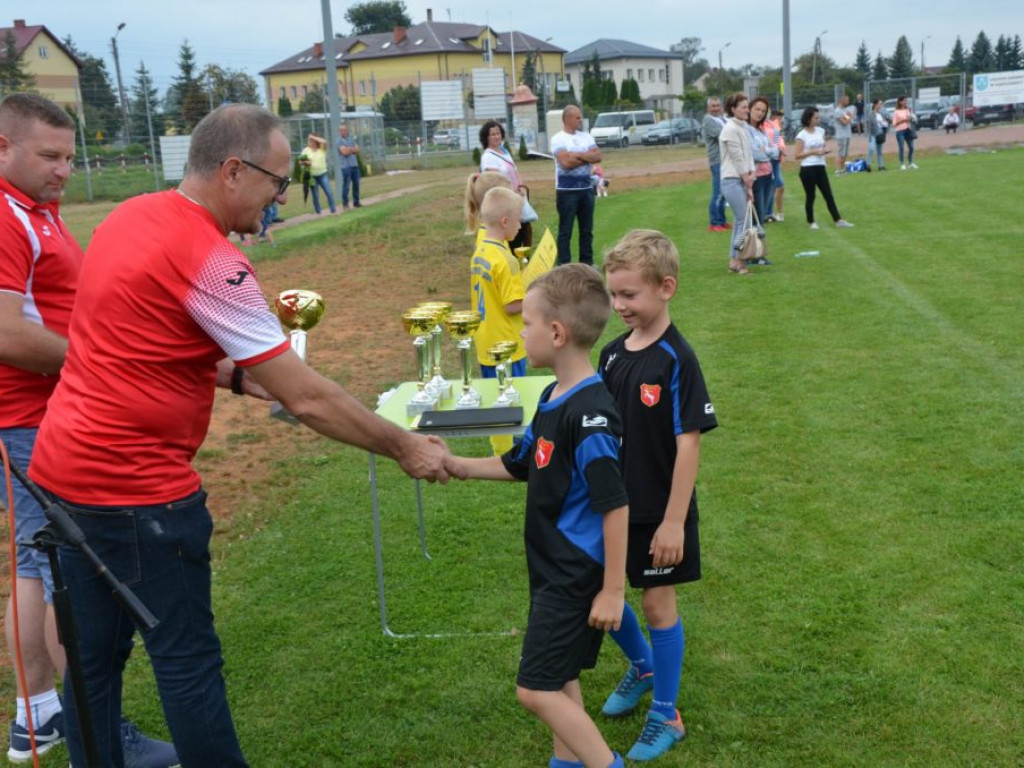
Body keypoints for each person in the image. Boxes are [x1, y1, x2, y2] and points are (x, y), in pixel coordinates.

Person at [27, 103, 458, 768]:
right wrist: (405, 445)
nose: (280, 197)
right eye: (277, 183)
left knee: (92, 662)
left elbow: (134, 339)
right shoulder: (211, 257)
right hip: (139, 494)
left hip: (64, 476)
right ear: (233, 171)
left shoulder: (130, 216)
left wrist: (233, 379)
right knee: (186, 660)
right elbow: (307, 397)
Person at [0, 93, 179, 767]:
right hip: (23, 420)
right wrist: (105, 361)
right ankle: (78, 722)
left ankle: (44, 716)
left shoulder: (33, 211)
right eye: (48, 155)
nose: (63, 170)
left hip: (44, 414)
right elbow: (7, 334)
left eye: (69, 157)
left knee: (38, 566)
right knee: (50, 569)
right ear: (3, 147)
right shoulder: (5, 215)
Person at [450, 263, 629, 768]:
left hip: (573, 576)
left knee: (534, 690)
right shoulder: (552, 398)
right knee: (560, 676)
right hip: (550, 569)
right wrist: (454, 465)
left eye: (525, 323)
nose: (520, 331)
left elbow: (614, 505)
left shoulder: (591, 415)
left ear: (556, 332)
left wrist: (612, 590)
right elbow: (521, 463)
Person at [599, 229, 718, 763]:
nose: (619, 305)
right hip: (613, 507)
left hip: (659, 510)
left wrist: (673, 522)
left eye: (630, 295)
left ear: (666, 287)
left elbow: (687, 443)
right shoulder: (609, 356)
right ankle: (645, 666)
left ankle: (666, 712)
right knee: (599, 593)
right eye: (614, 294)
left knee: (655, 602)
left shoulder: (676, 359)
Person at [550, 105, 601, 266]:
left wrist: (577, 154)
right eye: (577, 117)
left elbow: (598, 156)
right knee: (566, 231)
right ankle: (564, 264)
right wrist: (587, 157)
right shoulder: (558, 139)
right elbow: (565, 163)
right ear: (567, 119)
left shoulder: (586, 137)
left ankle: (587, 263)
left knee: (587, 231)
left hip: (586, 190)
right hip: (567, 191)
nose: (580, 120)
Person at [795, 107, 854, 230]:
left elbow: (822, 146)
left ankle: (838, 220)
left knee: (828, 194)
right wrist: (813, 151)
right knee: (811, 196)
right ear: (808, 118)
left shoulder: (820, 131)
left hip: (820, 167)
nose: (818, 119)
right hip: (807, 169)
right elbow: (797, 155)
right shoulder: (801, 135)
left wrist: (823, 151)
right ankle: (811, 222)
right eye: (816, 117)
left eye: (818, 117)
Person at [478, 119, 534, 250]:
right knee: (511, 236)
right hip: (504, 202)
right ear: (486, 137)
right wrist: (511, 193)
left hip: (517, 198)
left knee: (523, 233)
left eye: (498, 133)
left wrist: (521, 187)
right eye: (492, 134)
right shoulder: (488, 156)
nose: (496, 136)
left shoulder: (504, 152)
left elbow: (515, 170)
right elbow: (495, 180)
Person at [718, 92, 755, 275]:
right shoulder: (730, 129)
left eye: (747, 107)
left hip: (742, 178)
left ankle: (735, 260)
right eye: (743, 107)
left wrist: (751, 175)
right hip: (732, 179)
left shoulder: (743, 127)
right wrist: (747, 180)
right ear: (733, 109)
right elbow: (737, 157)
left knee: (742, 222)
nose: (747, 110)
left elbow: (748, 155)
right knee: (744, 222)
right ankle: (738, 260)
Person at [746, 96, 775, 247]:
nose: (760, 113)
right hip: (756, 177)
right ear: (749, 108)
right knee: (755, 217)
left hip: (768, 175)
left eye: (763, 111)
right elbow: (753, 153)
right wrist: (767, 153)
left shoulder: (761, 129)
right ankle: (754, 253)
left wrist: (766, 152)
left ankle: (758, 252)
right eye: (757, 109)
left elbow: (775, 150)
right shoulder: (746, 129)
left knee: (761, 215)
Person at [701, 97, 730, 232]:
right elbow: (723, 135)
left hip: (726, 160)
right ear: (708, 108)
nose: (716, 108)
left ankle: (722, 221)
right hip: (717, 161)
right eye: (713, 106)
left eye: (718, 105)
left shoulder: (722, 119)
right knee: (718, 192)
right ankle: (714, 222)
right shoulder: (708, 120)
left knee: (724, 193)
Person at [299, 132, 336, 214]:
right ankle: (318, 212)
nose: (309, 141)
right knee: (315, 195)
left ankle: (333, 210)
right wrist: (305, 162)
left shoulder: (322, 149)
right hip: (312, 176)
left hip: (323, 174)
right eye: (309, 140)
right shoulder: (306, 150)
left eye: (311, 140)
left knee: (329, 192)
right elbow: (300, 162)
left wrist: (313, 137)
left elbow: (325, 142)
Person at [764, 109, 787, 221]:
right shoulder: (757, 125)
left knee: (773, 186)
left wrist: (781, 148)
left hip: (776, 159)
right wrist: (776, 148)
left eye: (765, 110)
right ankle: (770, 213)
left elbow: (779, 138)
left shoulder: (773, 124)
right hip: (765, 159)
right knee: (778, 185)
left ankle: (769, 213)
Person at [336, 123, 361, 209]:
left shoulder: (351, 139)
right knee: (346, 185)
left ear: (347, 131)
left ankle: (356, 202)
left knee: (356, 184)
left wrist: (349, 149)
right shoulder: (338, 141)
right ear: (339, 132)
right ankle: (345, 204)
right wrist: (352, 149)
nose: (343, 132)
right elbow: (344, 152)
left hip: (354, 165)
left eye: (344, 130)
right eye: (341, 130)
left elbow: (358, 149)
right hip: (346, 166)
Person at [892, 96, 918, 170]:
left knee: (911, 147)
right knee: (901, 148)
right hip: (899, 131)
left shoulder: (907, 110)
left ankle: (910, 163)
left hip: (908, 130)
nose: (905, 102)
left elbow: (910, 118)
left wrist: (912, 118)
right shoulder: (896, 111)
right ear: (900, 102)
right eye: (904, 101)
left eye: (906, 101)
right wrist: (903, 120)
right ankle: (902, 164)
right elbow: (894, 124)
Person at [833, 95, 855, 175]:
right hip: (841, 135)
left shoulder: (844, 110)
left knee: (845, 153)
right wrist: (849, 117)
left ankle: (842, 169)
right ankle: (838, 170)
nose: (848, 102)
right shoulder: (838, 111)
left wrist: (849, 117)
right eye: (847, 100)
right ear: (842, 100)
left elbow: (849, 119)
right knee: (841, 153)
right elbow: (844, 122)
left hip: (847, 134)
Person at [864, 99, 888, 171]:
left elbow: (886, 123)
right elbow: (869, 124)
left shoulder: (881, 113)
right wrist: (869, 134)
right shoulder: (871, 113)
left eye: (881, 104)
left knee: (879, 150)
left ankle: (880, 166)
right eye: (879, 104)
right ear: (875, 104)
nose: (880, 105)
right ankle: (868, 164)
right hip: (873, 133)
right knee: (871, 148)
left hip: (880, 132)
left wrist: (883, 122)